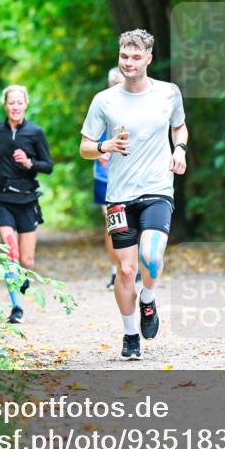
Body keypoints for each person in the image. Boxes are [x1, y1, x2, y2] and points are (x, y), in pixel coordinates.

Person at [79, 30, 188, 360]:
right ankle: (130, 335)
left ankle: (148, 298)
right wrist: (104, 145)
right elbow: (84, 147)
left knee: (151, 258)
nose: (129, 62)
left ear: (148, 59)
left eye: (136, 57)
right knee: (126, 270)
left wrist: (180, 149)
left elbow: (179, 127)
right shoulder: (104, 100)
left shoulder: (168, 94)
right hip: (119, 195)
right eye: (124, 57)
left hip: (157, 188)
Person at [0, 84, 53, 324]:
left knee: (26, 261)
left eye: (19, 102)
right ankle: (16, 308)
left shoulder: (35, 132)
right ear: (5, 105)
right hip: (3, 197)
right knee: (11, 251)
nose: (15, 107)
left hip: (27, 199)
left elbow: (48, 165)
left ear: (25, 104)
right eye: (11, 102)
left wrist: (29, 163)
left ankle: (21, 276)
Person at [95, 67, 124, 290]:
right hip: (105, 176)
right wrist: (101, 152)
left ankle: (131, 267)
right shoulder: (101, 107)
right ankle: (115, 270)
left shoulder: (136, 106)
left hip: (131, 176)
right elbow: (89, 142)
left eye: (119, 80)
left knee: (133, 221)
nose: (116, 83)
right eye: (112, 80)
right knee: (112, 224)